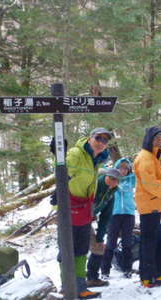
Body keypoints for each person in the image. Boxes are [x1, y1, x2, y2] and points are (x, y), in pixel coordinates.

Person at [63, 127, 112, 299]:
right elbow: (63, 171)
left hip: (84, 209)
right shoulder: (77, 153)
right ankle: (67, 286)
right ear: (90, 138)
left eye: (105, 141)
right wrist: (58, 192)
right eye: (99, 138)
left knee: (82, 248)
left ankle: (80, 286)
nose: (101, 143)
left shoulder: (96, 160)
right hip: (68, 207)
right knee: (68, 248)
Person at [134, 126, 161, 288]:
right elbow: (150, 183)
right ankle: (148, 277)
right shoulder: (146, 158)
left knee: (150, 239)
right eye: (157, 138)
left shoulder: (153, 156)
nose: (160, 140)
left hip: (152, 202)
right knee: (149, 241)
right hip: (150, 203)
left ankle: (149, 274)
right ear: (149, 138)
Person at [100, 158, 136, 278]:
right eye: (121, 167)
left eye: (126, 168)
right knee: (111, 243)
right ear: (116, 168)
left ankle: (127, 269)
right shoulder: (111, 179)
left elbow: (126, 187)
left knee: (127, 242)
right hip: (113, 214)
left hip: (128, 214)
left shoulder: (131, 179)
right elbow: (102, 171)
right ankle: (105, 270)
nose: (123, 170)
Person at [86, 167, 120, 287]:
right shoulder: (95, 185)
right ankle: (70, 283)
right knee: (74, 250)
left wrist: (100, 237)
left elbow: (106, 217)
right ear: (105, 176)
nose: (113, 181)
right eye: (111, 178)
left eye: (116, 180)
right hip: (73, 219)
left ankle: (92, 278)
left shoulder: (111, 194)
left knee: (98, 247)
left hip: (86, 222)